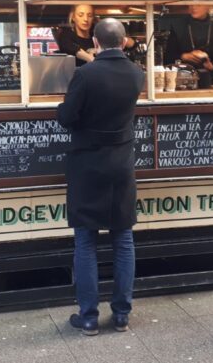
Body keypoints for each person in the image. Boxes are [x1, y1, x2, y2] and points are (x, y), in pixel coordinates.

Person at [57, 18, 145, 336]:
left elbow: (67, 118)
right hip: (121, 164)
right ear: (123, 43)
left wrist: (61, 107)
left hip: (88, 165)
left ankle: (89, 316)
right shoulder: (137, 74)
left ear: (95, 42)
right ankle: (121, 315)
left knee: (85, 240)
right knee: (123, 239)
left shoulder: (85, 74)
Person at [164, 4, 213, 79]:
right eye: (191, 5)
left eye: (198, 5)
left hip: (209, 80)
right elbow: (167, 58)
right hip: (181, 78)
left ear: (208, 6)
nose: (194, 7)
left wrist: (211, 66)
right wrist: (183, 56)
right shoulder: (177, 27)